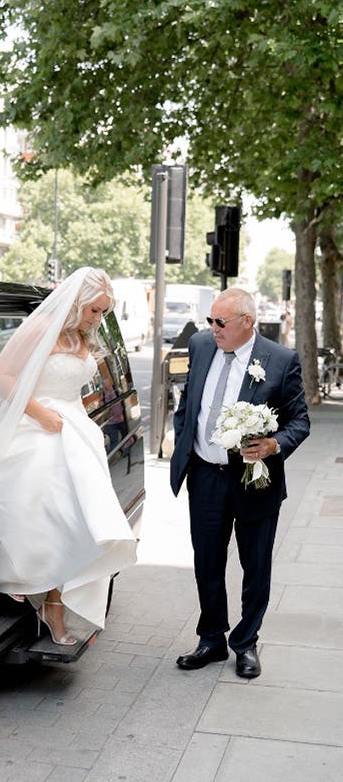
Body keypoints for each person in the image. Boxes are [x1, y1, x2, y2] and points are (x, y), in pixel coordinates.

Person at [0, 267, 137, 645]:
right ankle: (28, 583)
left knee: (79, 520)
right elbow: (2, 377)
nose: (98, 319)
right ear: (76, 302)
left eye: (103, 313)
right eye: (94, 310)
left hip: (74, 428)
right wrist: (41, 414)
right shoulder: (40, 326)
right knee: (44, 506)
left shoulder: (83, 336)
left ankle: (57, 605)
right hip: (35, 423)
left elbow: (77, 386)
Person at [170, 287, 309, 678]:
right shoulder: (200, 345)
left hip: (254, 481)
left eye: (220, 322)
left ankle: (246, 643)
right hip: (205, 477)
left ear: (247, 322)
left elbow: (300, 421)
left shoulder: (280, 361)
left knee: (256, 565)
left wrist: (273, 444)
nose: (212, 328)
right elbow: (188, 405)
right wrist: (184, 443)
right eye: (209, 320)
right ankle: (211, 639)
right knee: (207, 563)